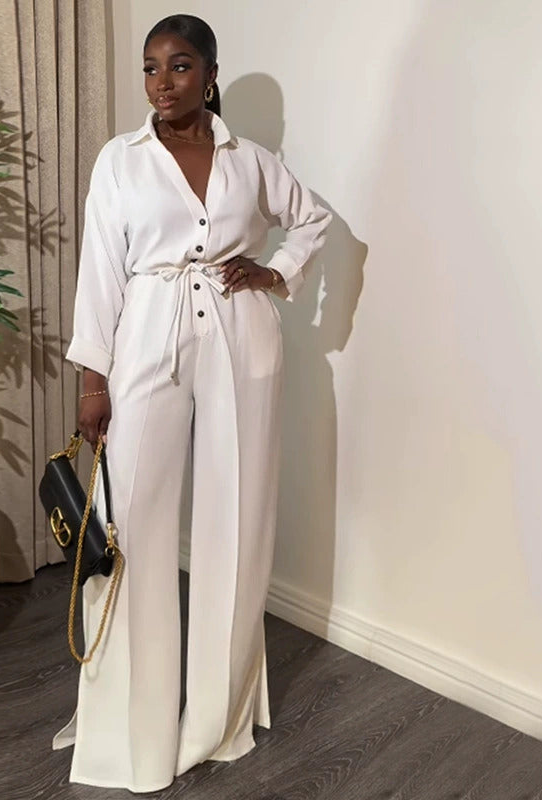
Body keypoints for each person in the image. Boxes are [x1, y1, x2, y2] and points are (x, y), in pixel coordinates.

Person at [53, 13, 332, 793]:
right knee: (130, 523)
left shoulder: (253, 159)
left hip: (243, 336)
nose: (161, 82)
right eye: (150, 67)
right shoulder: (121, 160)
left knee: (237, 521)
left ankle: (217, 719)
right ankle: (128, 731)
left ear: (210, 75)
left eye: (179, 66)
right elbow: (99, 269)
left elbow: (313, 219)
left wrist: (275, 272)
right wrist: (93, 380)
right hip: (148, 333)